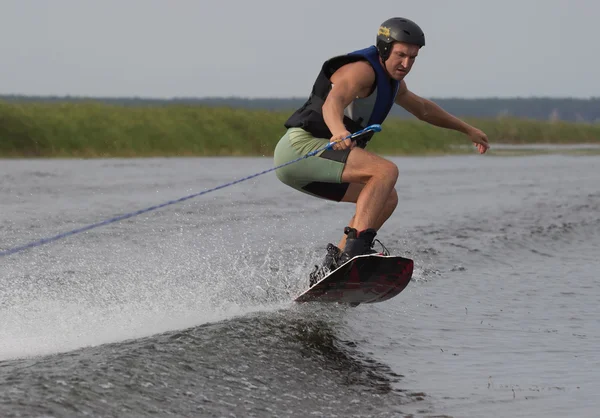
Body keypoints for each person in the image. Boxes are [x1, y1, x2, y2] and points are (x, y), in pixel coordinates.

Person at [273, 17, 490, 285]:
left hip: (317, 165)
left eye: (413, 57)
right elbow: (334, 102)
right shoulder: (361, 71)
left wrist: (467, 129)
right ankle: (354, 252)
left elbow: (422, 109)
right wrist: (338, 129)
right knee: (385, 171)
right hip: (300, 150)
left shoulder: (394, 83)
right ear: (384, 49)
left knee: (386, 197)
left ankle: (333, 267)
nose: (406, 64)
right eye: (400, 55)